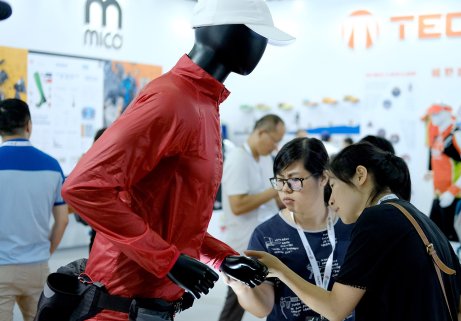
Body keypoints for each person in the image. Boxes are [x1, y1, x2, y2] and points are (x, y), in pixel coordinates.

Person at [58, 0, 295, 320]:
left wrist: (221, 258)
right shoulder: (171, 99)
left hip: (156, 306)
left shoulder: (205, 106)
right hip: (118, 305)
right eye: (257, 34)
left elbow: (175, 217)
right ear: (224, 31)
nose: (262, 46)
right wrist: (167, 259)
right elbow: (84, 188)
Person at [246, 143, 461, 321]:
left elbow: (335, 309)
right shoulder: (418, 218)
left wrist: (279, 269)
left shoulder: (375, 219)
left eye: (334, 186)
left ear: (360, 176)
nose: (331, 200)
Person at [226, 137, 354, 321]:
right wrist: (240, 288)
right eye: (279, 181)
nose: (285, 189)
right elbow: (263, 308)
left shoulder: (349, 226)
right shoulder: (267, 234)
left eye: (294, 180)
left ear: (323, 178)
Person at [0, 98, 69, 321]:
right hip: (37, 266)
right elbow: (63, 221)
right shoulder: (52, 166)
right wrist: (45, 253)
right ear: (29, 125)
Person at [218, 114, 285, 321]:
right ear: (261, 133)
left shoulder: (265, 160)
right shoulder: (238, 159)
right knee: (236, 300)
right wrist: (276, 189)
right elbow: (238, 206)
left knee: (269, 295)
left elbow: (271, 199)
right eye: (274, 140)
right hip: (243, 243)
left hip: (266, 240)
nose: (275, 147)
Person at [423, 104, 461, 241]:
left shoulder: (457, 136)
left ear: (447, 114)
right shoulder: (437, 137)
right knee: (432, 240)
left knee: (451, 243)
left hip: (453, 198)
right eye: (432, 114)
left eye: (437, 114)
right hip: (438, 196)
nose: (433, 118)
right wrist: (432, 173)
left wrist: (452, 191)